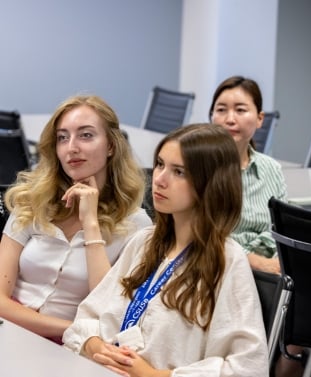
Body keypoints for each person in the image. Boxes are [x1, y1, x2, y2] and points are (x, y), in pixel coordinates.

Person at [63, 123, 268, 377]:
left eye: (179, 172)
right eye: (160, 164)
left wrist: (152, 375)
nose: (159, 179)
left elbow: (248, 368)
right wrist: (97, 347)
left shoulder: (226, 259)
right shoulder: (145, 242)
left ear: (211, 184)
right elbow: (85, 318)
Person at [0, 94, 152, 342]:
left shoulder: (137, 225)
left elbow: (109, 310)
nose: (72, 147)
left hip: (74, 349)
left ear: (111, 145)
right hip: (14, 330)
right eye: (62, 137)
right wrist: (77, 330)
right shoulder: (33, 201)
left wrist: (91, 224)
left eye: (86, 135)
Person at [209, 75, 287, 275]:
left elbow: (281, 229)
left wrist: (273, 261)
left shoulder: (271, 169)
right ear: (211, 117)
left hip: (269, 270)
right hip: (217, 270)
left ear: (260, 119)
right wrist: (252, 260)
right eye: (221, 110)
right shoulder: (200, 168)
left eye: (240, 110)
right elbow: (200, 235)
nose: (230, 119)